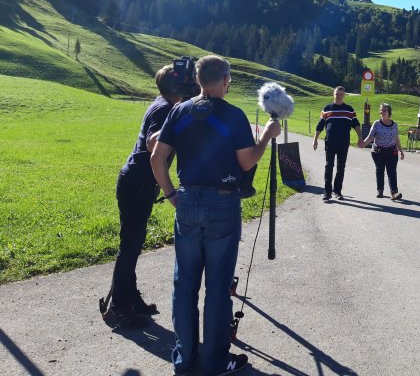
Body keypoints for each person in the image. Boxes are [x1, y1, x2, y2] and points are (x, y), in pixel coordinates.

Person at [151, 55, 281, 376]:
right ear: (225, 81)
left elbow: (157, 156)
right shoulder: (234, 116)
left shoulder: (179, 112)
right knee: (218, 286)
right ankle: (214, 361)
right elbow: (247, 161)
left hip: (188, 201)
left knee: (185, 284)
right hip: (223, 205)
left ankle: (184, 359)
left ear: (198, 80)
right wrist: (266, 135)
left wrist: (170, 194)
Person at [103, 64, 181, 329]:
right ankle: (117, 308)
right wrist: (176, 123)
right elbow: (152, 143)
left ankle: (130, 298)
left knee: (133, 245)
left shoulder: (163, 103)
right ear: (176, 87)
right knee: (130, 247)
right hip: (136, 184)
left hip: (137, 183)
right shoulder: (165, 109)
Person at [312, 86, 362, 201]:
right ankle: (327, 192)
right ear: (333, 94)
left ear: (344, 95)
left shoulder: (349, 110)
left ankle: (338, 191)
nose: (338, 96)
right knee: (329, 166)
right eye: (336, 94)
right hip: (330, 143)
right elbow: (320, 126)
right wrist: (315, 140)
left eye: (341, 94)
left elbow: (356, 125)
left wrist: (360, 138)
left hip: (344, 143)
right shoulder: (327, 109)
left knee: (341, 167)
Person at [360, 103, 405, 200]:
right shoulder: (377, 124)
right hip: (378, 152)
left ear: (389, 112)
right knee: (380, 170)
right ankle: (380, 190)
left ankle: (394, 193)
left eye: (384, 110)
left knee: (392, 172)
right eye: (381, 110)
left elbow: (396, 138)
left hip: (392, 152)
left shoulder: (394, 125)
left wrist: (401, 150)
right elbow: (371, 136)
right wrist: (363, 143)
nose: (382, 112)